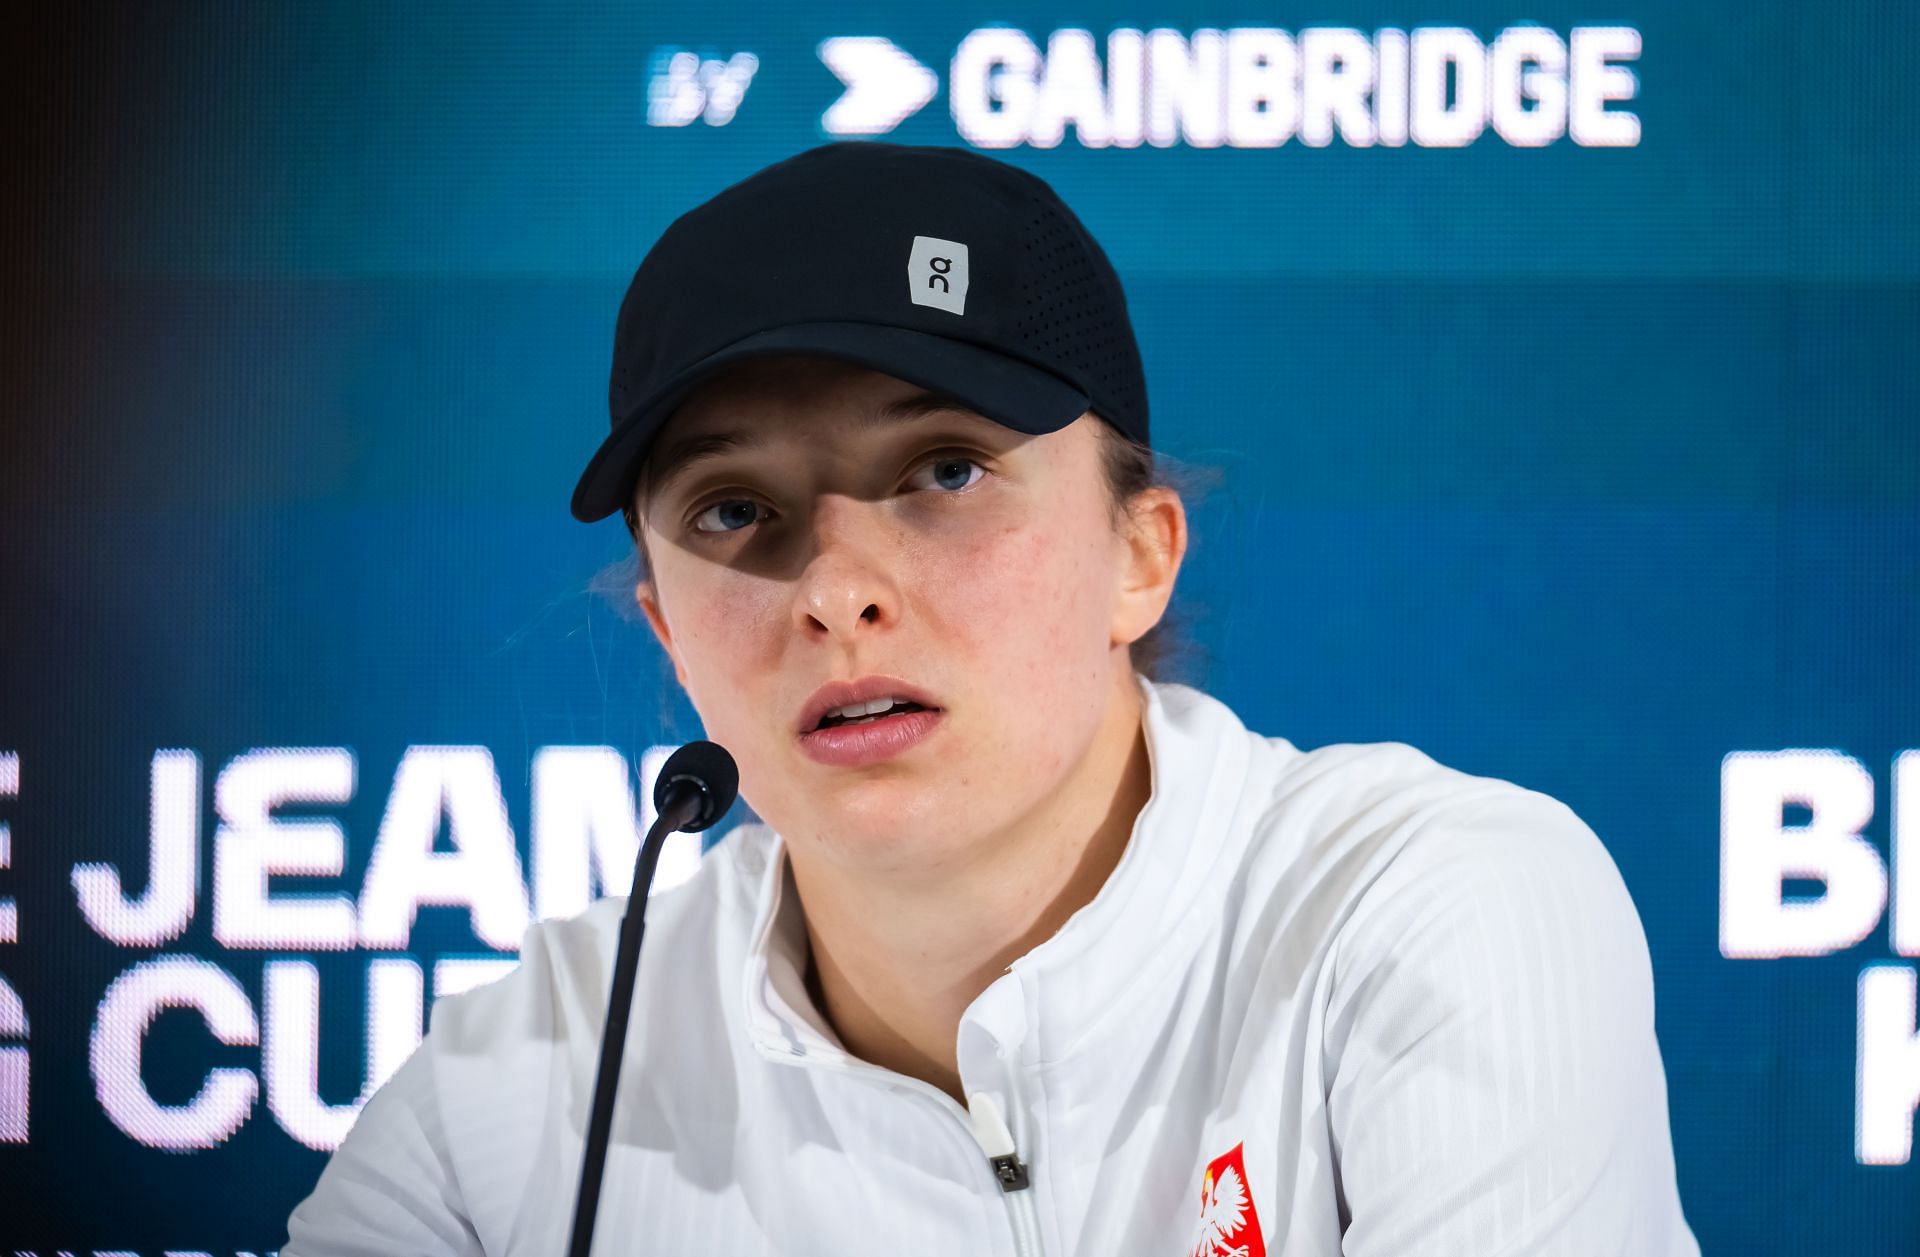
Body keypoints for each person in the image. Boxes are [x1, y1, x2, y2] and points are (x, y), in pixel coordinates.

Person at [284, 141, 1699, 1255]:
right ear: (667, 630)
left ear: (1138, 555)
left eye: (944, 469)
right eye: (732, 508)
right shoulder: (527, 1081)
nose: (837, 587)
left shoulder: (1427, 912)